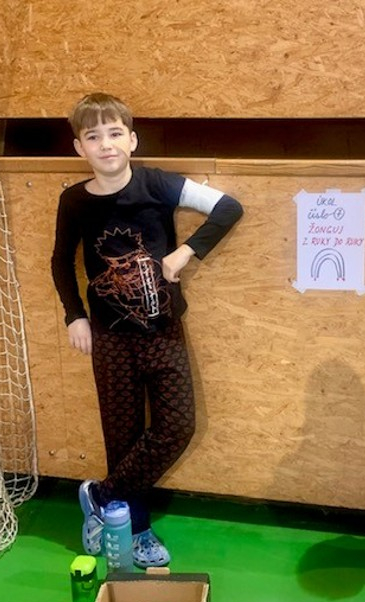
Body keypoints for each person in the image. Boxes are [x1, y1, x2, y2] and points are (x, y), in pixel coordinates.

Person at [51, 93, 243, 568]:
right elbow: (60, 262)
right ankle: (136, 529)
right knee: (122, 437)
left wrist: (186, 252)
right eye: (93, 136)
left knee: (177, 426)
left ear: (132, 140)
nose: (106, 144)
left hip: (163, 332)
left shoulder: (158, 183)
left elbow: (228, 207)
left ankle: (99, 496)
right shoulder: (74, 201)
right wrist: (75, 315)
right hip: (110, 338)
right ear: (79, 147)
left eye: (115, 133)